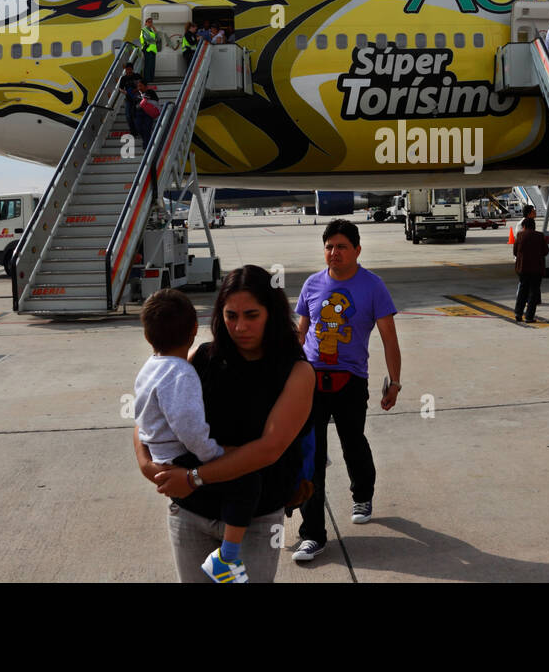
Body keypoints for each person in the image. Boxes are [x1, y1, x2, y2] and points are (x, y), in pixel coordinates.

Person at [134, 266, 315, 583]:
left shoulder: (296, 371)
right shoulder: (203, 358)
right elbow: (151, 414)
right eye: (231, 316)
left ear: (271, 314)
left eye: (251, 315)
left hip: (256, 519)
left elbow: (268, 449)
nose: (240, 326)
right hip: (191, 513)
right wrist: (147, 464)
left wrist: (192, 477)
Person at [292, 219, 402, 562]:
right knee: (311, 454)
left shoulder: (373, 286)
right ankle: (313, 534)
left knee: (353, 442)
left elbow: (388, 337)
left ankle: (363, 493)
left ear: (356, 249)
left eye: (341, 247)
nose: (333, 253)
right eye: (328, 247)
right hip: (311, 379)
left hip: (351, 380)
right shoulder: (312, 284)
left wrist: (394, 382)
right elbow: (301, 334)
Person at [135, 289, 261, 583]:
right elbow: (188, 426)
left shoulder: (149, 368)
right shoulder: (181, 373)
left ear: (147, 335)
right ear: (194, 330)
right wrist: (213, 457)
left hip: (160, 453)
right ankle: (226, 558)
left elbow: (142, 416)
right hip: (181, 455)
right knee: (247, 479)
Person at [512, 216, 548, 323]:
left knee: (522, 291)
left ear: (524, 226)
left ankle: (518, 313)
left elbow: (515, 252)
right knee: (533, 293)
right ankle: (529, 316)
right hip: (536, 269)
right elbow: (545, 251)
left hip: (522, 268)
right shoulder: (539, 236)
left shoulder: (520, 235)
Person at [119, 62, 141, 140]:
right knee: (128, 116)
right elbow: (120, 88)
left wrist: (135, 90)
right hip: (128, 99)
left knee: (136, 115)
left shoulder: (137, 76)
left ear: (132, 69)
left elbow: (142, 84)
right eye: (126, 69)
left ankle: (139, 130)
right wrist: (124, 92)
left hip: (137, 98)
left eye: (129, 69)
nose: (128, 71)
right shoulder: (123, 78)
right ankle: (133, 131)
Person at [139, 16, 161, 83]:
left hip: (153, 50)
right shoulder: (144, 30)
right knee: (148, 65)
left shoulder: (152, 30)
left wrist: (155, 31)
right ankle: (147, 80)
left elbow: (159, 39)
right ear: (145, 23)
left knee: (152, 66)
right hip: (147, 49)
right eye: (149, 22)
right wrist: (155, 40)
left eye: (151, 22)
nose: (150, 24)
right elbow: (148, 38)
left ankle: (151, 79)